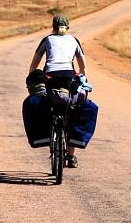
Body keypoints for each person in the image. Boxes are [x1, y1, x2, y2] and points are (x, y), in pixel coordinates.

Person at [28, 14, 86, 168]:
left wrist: (32, 78)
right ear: (68, 27)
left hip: (50, 77)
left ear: (53, 27)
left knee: (46, 108)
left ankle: (50, 142)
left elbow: (33, 65)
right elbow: (83, 68)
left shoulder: (47, 40)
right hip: (68, 77)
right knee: (73, 112)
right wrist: (82, 80)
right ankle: (71, 156)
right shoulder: (74, 40)